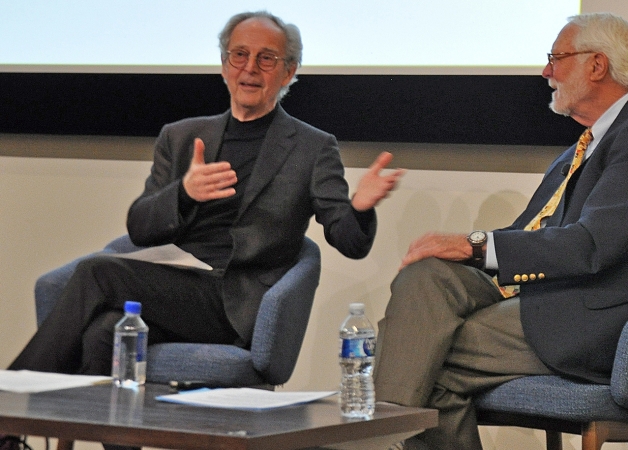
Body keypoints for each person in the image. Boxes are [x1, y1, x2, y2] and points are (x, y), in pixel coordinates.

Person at [6, 10, 403, 400]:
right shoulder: (181, 137)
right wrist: (183, 193)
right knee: (103, 334)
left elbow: (349, 241)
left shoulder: (313, 147)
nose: (250, 68)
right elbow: (140, 228)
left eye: (267, 58)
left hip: (235, 303)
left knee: (98, 272)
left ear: (288, 71)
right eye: (239, 54)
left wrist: (361, 207)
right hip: (173, 289)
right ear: (224, 64)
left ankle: (9, 405)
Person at [373, 12, 628, 450]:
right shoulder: (581, 149)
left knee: (429, 356)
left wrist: (474, 243)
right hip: (549, 300)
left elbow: (591, 245)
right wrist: (465, 248)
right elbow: (531, 232)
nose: (546, 71)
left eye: (556, 58)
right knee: (426, 274)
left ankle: (372, 435)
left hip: (597, 320)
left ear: (597, 65)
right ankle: (376, 432)